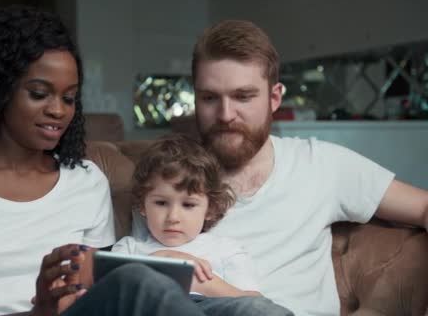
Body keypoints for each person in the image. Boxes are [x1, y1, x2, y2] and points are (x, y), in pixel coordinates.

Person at [0, 7, 214, 316]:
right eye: (39, 94)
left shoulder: (87, 180)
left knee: (243, 308)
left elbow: (100, 294)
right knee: (139, 283)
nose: (58, 110)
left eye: (69, 98)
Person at [132, 19, 428, 316]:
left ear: (274, 98)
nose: (225, 114)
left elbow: (422, 206)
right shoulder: (163, 179)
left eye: (243, 97)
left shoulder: (321, 164)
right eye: (210, 98)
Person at [112, 134, 293, 316]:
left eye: (188, 205)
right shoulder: (128, 248)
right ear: (142, 206)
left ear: (210, 209)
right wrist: (162, 259)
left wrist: (202, 283)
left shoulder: (225, 249)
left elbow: (252, 300)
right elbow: (109, 297)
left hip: (214, 308)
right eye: (161, 203)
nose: (173, 217)